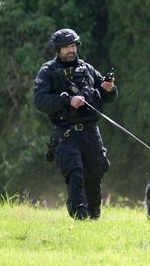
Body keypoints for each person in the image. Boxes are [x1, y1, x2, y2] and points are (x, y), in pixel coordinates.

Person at [33, 28, 118, 220]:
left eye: (72, 45)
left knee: (95, 173)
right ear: (58, 50)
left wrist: (109, 89)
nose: (70, 50)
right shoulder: (47, 72)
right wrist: (67, 101)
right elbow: (40, 100)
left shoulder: (87, 69)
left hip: (90, 132)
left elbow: (107, 96)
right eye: (65, 47)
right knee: (75, 173)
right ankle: (79, 216)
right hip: (66, 133)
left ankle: (94, 216)